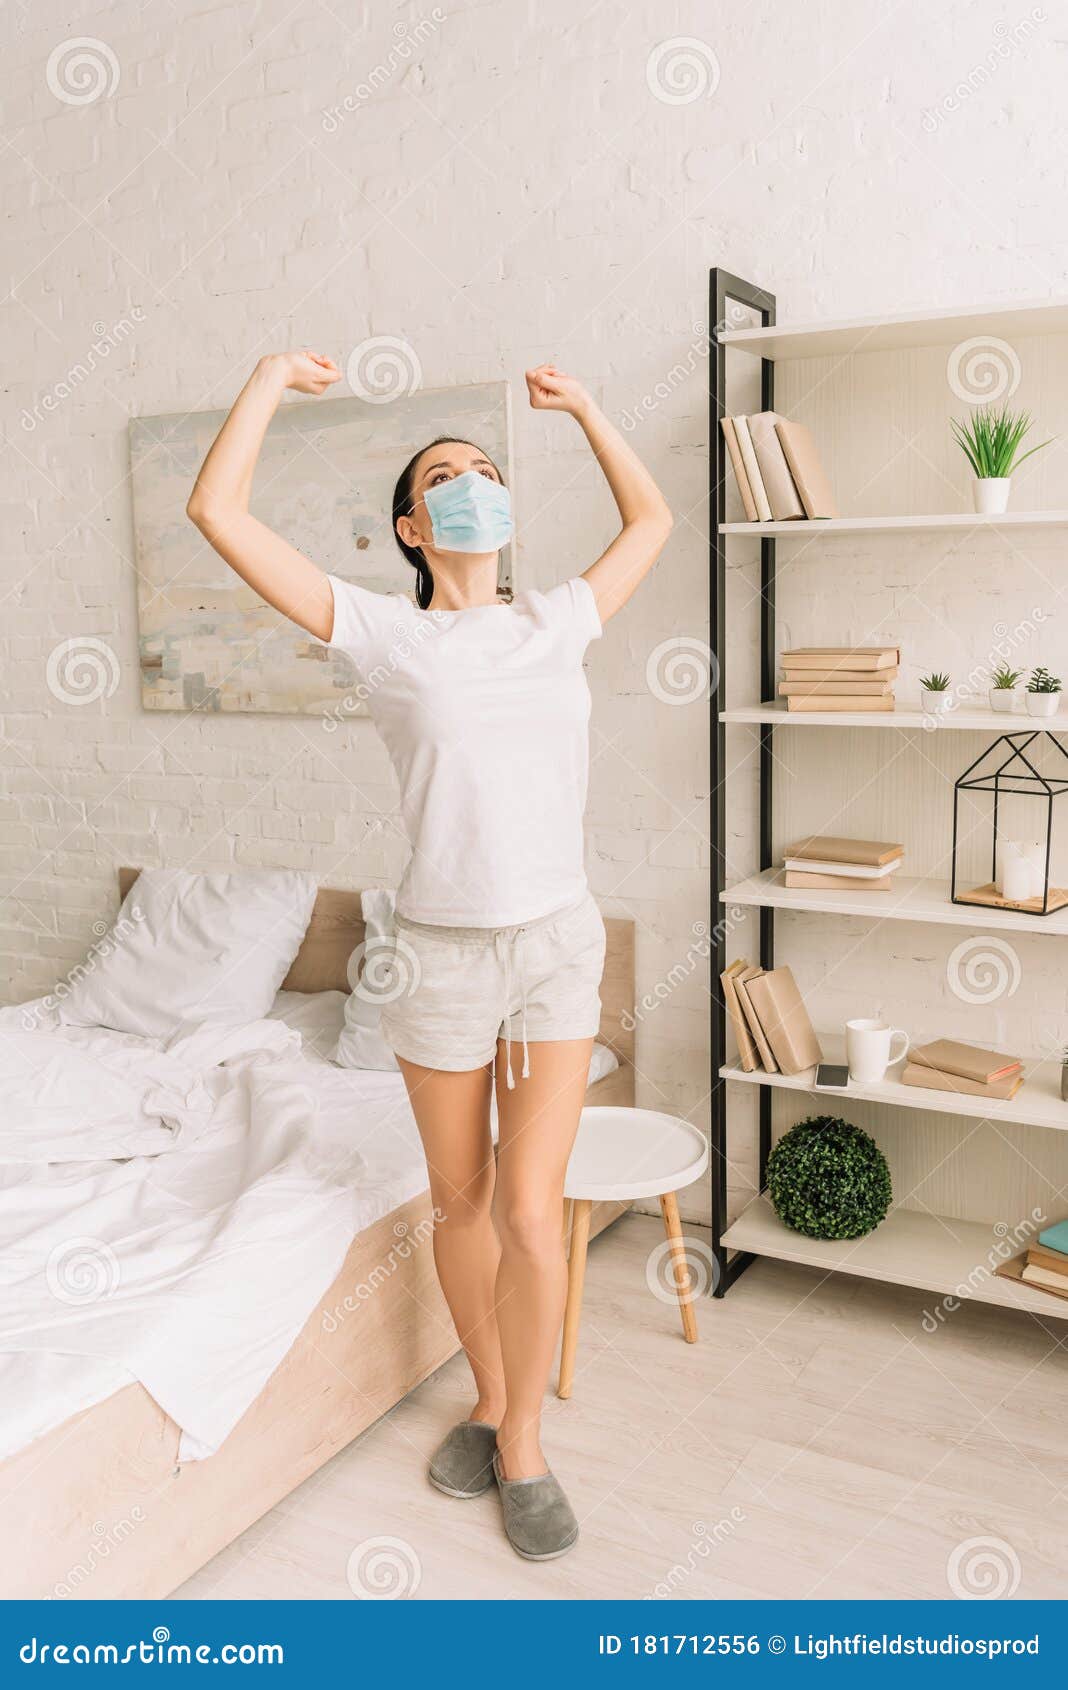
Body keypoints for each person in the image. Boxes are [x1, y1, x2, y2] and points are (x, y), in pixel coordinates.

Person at [187, 351, 672, 1559]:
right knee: (459, 1203)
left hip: (555, 950)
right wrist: (262, 382)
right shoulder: (383, 636)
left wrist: (591, 410)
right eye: (446, 477)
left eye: (488, 473)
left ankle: (525, 1449)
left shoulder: (560, 618)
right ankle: (494, 1398)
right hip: (438, 961)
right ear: (414, 524)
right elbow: (217, 513)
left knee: (527, 1205)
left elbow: (652, 515)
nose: (473, 486)